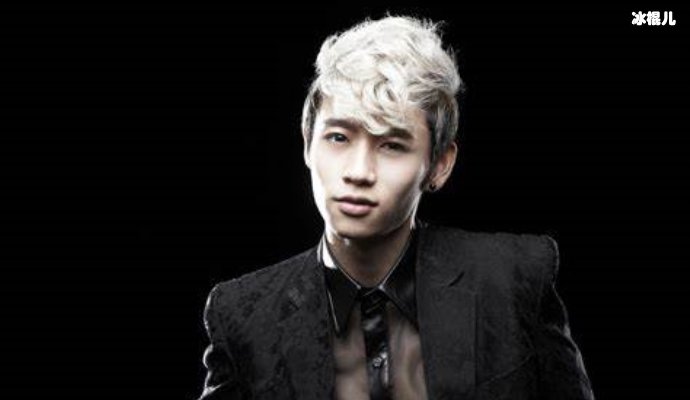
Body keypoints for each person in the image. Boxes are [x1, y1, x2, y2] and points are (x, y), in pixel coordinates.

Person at [198, 15, 594, 400]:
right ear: (307, 143)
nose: (358, 172)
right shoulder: (242, 316)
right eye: (338, 137)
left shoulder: (513, 280)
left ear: (439, 165)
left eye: (392, 145)